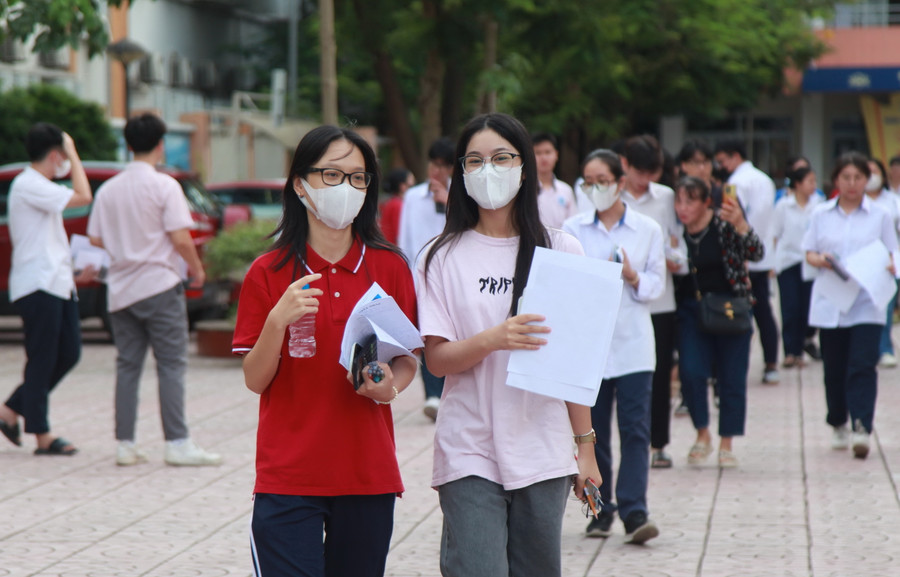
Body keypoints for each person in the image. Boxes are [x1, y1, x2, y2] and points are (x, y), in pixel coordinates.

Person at [416, 113, 602, 576]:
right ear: (460, 173)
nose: (489, 170)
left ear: (525, 169)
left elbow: (573, 365)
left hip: (542, 449)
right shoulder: (439, 255)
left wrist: (585, 449)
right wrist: (492, 340)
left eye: (501, 158)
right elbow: (436, 361)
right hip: (468, 448)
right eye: (475, 161)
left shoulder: (561, 250)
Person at [234, 125, 419, 576]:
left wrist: (389, 387)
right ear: (300, 184)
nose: (347, 188)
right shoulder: (268, 271)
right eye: (332, 175)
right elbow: (255, 379)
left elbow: (407, 358)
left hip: (367, 474)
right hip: (288, 477)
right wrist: (278, 319)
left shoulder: (389, 266)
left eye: (358, 178)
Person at [87, 113, 222, 467]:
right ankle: (177, 442)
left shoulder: (109, 189)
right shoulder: (165, 186)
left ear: (128, 144)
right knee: (171, 365)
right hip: (159, 285)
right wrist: (197, 269)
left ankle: (125, 443)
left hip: (119, 289)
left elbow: (95, 237)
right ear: (160, 144)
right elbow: (180, 236)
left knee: (128, 366)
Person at [563, 149, 664, 544]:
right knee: (591, 431)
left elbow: (656, 285)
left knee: (636, 429)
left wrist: (633, 276)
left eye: (602, 180)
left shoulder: (646, 229)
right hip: (589, 346)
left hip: (635, 344)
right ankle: (598, 509)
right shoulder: (571, 229)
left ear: (621, 182)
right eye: (587, 182)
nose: (595, 189)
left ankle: (635, 510)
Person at [0, 123, 92, 456]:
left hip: (57, 282)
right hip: (37, 283)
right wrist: (75, 153)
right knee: (42, 359)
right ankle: (41, 434)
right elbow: (83, 196)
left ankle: (10, 408)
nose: (66, 164)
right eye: (64, 156)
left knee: (69, 353)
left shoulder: (39, 186)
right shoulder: (29, 183)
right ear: (56, 155)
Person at [802, 152, 897, 459]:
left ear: (866, 180)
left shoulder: (880, 214)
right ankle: (838, 420)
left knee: (862, 365)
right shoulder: (821, 214)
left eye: (858, 178)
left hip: (867, 301)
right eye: (846, 177)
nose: (853, 184)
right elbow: (809, 252)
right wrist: (823, 261)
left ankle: (862, 426)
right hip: (831, 300)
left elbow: (893, 251)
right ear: (836, 180)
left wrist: (891, 266)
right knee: (835, 367)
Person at [674, 176, 764, 468]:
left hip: (731, 309)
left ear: (706, 203)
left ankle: (727, 441)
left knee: (732, 377)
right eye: (678, 200)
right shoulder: (675, 232)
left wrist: (741, 223)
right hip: (692, 310)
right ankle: (703, 433)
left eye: (690, 201)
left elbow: (757, 252)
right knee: (691, 371)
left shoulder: (724, 225)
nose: (682, 208)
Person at [620, 135, 684, 468]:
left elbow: (678, 242)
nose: (645, 181)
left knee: (659, 375)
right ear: (625, 165)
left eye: (651, 173)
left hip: (659, 300)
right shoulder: (611, 197)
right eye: (639, 172)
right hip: (619, 300)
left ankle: (658, 443)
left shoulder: (666, 197)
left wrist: (676, 258)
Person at [714, 139, 780, 384]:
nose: (721, 166)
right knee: (765, 312)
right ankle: (771, 363)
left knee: (741, 315)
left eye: (722, 161)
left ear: (735, 156)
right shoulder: (764, 179)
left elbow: (732, 219)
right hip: (761, 255)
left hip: (743, 256)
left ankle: (734, 367)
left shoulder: (736, 183)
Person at [398, 137, 454, 421]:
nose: (438, 171)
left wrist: (448, 203)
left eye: (445, 166)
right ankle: (432, 395)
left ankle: (447, 393)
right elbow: (405, 239)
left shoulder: (461, 199)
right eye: (434, 164)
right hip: (420, 278)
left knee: (451, 336)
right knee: (425, 334)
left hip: (452, 278)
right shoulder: (412, 197)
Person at [772, 166, 822, 369]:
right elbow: (775, 234)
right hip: (788, 262)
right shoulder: (784, 206)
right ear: (798, 184)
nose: (813, 185)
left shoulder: (819, 205)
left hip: (809, 262)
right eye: (809, 181)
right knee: (790, 307)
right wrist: (773, 262)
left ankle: (800, 349)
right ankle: (790, 352)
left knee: (806, 308)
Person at [864, 158, 900, 368]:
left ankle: (885, 348)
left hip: (888, 260)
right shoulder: (856, 202)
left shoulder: (892, 201)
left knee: (886, 306)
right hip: (863, 262)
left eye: (874, 170)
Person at [532, 132, 578, 228]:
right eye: (538, 153)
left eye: (548, 152)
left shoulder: (566, 190)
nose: (543, 158)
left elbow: (573, 224)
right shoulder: (525, 188)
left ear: (556, 154)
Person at [378, 167, 413, 244]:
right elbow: (400, 234)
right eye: (410, 186)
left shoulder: (391, 202)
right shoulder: (398, 205)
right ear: (402, 186)